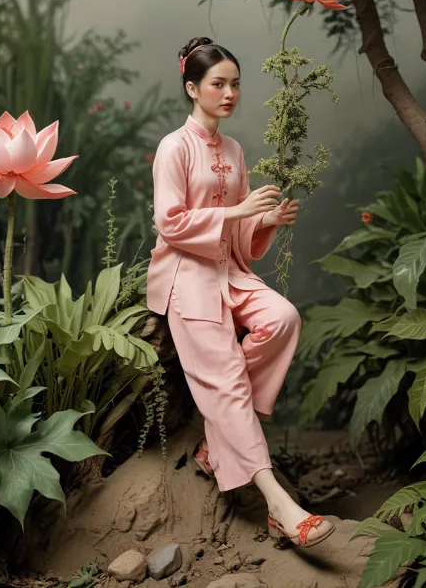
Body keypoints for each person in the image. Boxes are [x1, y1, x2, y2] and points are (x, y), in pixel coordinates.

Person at [146, 37, 335, 548]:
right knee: (227, 376)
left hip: (228, 272)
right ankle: (279, 505)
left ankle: (217, 442)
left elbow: (240, 241)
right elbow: (169, 223)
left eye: (235, 84)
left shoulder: (232, 149)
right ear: (192, 88)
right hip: (188, 278)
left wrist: (265, 218)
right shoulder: (174, 147)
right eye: (218, 84)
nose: (229, 93)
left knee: (283, 319)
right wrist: (236, 211)